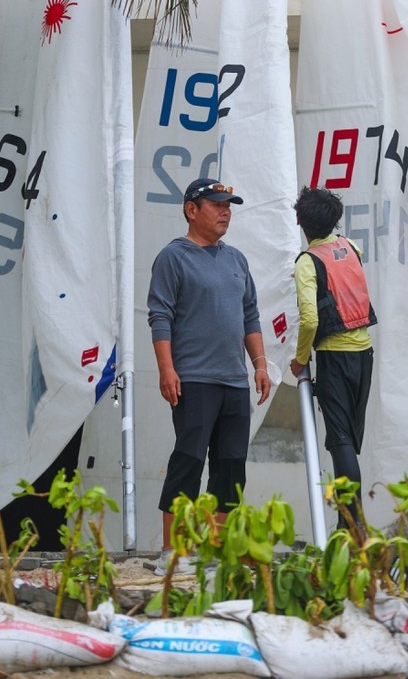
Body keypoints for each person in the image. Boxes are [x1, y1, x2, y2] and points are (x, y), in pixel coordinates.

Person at [147, 178, 270, 574]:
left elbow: (249, 314)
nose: (225, 212)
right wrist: (167, 369)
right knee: (188, 459)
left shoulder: (236, 259)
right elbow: (160, 314)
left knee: (231, 465)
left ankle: (218, 549)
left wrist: (261, 364)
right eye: (216, 205)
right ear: (191, 209)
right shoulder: (173, 257)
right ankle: (173, 552)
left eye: (228, 205)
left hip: (234, 379)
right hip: (194, 378)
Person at [290, 186, 376, 530]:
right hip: (364, 353)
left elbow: (310, 319)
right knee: (350, 441)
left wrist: (299, 359)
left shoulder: (307, 263)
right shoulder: (350, 247)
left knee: (340, 441)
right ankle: (348, 525)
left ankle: (352, 526)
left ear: (300, 222)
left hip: (334, 358)